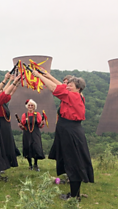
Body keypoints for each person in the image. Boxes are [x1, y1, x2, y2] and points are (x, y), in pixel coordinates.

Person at [32, 70, 94, 201]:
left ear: (78, 88)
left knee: (73, 162)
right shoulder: (75, 94)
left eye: (70, 85)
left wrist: (38, 76)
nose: (67, 86)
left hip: (70, 131)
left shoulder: (73, 96)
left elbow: (55, 88)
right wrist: (46, 74)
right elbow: (60, 86)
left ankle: (74, 196)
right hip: (69, 130)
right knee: (70, 161)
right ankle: (74, 194)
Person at [0, 74, 22, 180]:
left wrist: (17, 82)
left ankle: (1, 168)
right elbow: (7, 90)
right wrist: (11, 81)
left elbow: (11, 91)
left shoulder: (3, 101)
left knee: (5, 147)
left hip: (5, 126)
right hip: (0, 126)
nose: (2, 92)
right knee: (0, 148)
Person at [18, 99, 46, 171]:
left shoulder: (38, 114)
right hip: (27, 133)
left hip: (35, 132)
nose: (30, 106)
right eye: (29, 105)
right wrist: (20, 125)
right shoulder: (24, 115)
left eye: (32, 105)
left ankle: (35, 164)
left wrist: (42, 123)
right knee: (28, 147)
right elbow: (23, 125)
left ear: (34, 107)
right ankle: (30, 165)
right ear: (27, 106)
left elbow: (40, 125)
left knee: (36, 147)